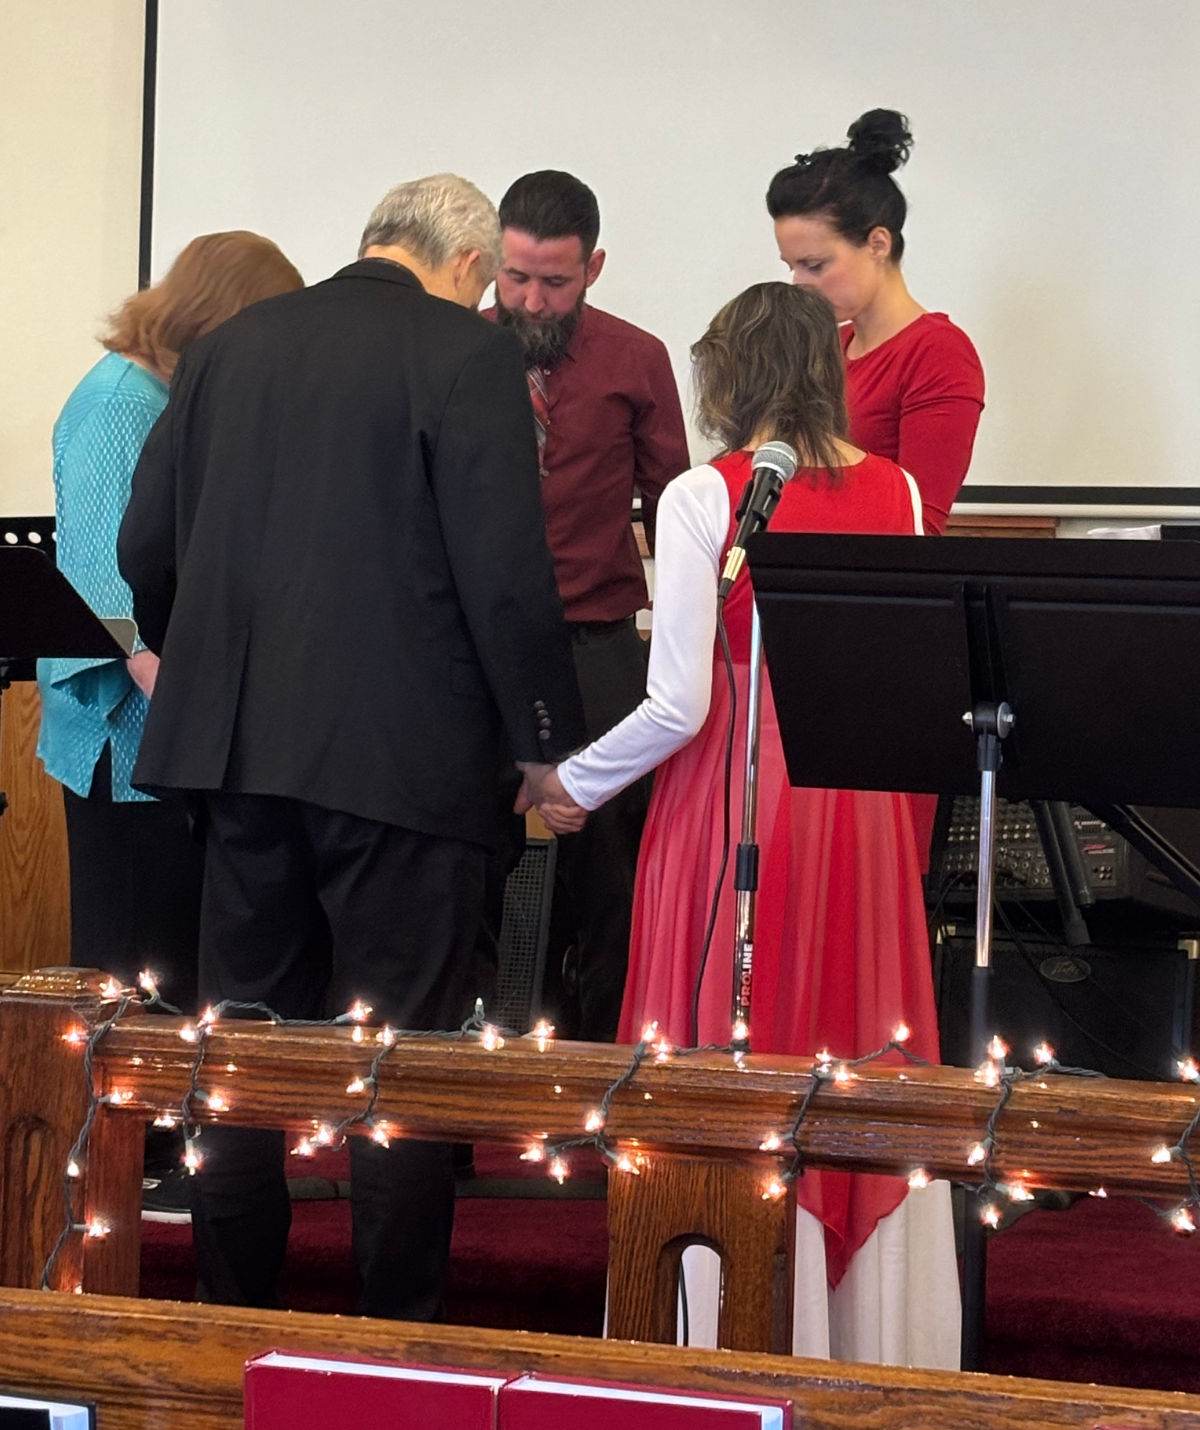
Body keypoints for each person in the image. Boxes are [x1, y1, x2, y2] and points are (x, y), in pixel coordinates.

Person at [117, 174, 586, 1320]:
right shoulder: (465, 355)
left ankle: (232, 1322)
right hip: (405, 768)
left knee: (238, 1056)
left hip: (234, 759)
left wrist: (208, 661)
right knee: (396, 1063)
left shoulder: (233, 346)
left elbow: (147, 541)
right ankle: (394, 1343)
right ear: (470, 266)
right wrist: (541, 742)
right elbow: (506, 580)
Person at [539, 282, 961, 1369]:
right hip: (859, 806)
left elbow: (680, 704)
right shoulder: (903, 491)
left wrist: (571, 785)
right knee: (854, 1039)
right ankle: (869, 1353)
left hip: (737, 794)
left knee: (727, 1041)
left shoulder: (704, 497)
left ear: (729, 379)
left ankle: (714, 1335)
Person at [37, 231, 305, 1016]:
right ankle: (135, 1144)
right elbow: (105, 599)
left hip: (164, 735)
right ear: (221, 320)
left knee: (171, 976)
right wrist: (198, 717)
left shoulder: (159, 395)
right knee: (134, 979)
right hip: (126, 741)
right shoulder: (120, 403)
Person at [489, 170, 690, 1042]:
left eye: (555, 281)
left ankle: (604, 1065)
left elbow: (677, 504)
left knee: (610, 867)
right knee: (471, 860)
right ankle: (484, 1051)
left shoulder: (634, 357)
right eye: (516, 277)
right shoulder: (457, 349)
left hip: (597, 644)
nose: (532, 300)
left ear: (595, 267)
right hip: (478, 649)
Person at [768, 109, 985, 536]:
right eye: (791, 267)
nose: (799, 284)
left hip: (875, 584)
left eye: (815, 265)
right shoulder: (825, 347)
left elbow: (918, 519)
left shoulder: (938, 353)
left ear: (878, 244)